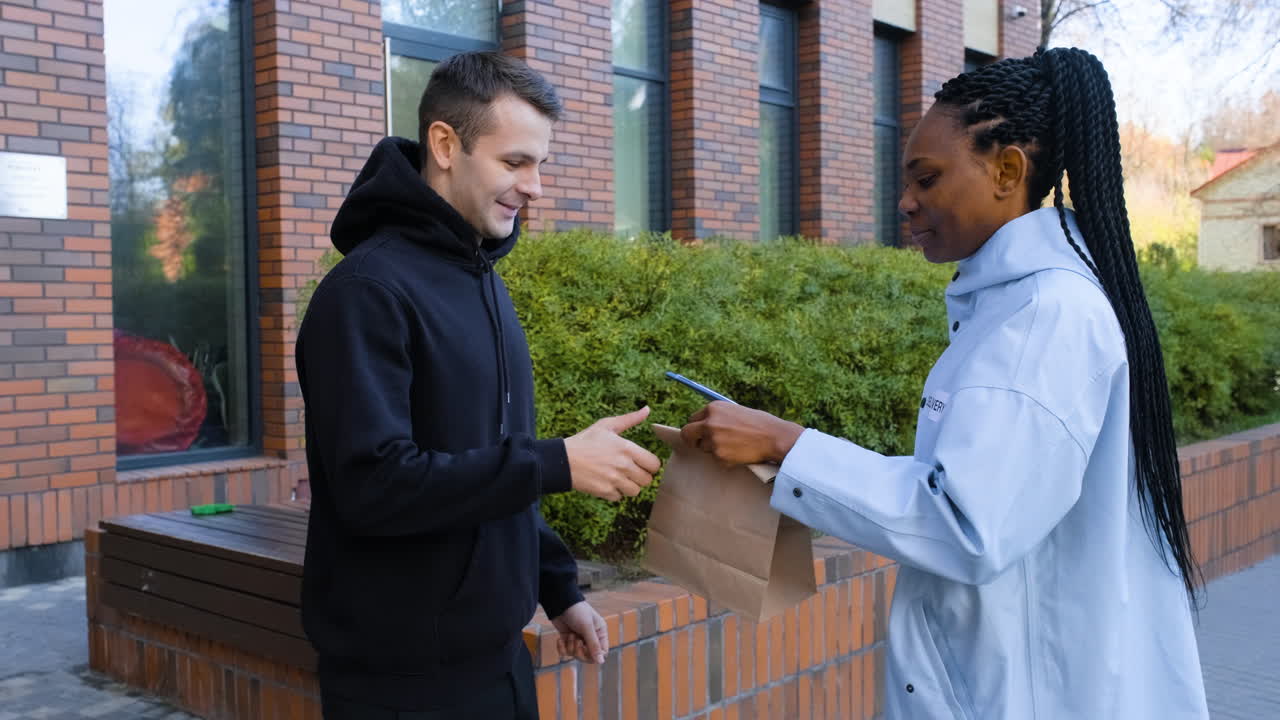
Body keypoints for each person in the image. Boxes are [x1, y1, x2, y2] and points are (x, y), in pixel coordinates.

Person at [680, 47, 1208, 719]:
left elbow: (967, 525)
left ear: (1006, 170)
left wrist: (788, 445)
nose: (906, 202)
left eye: (927, 178)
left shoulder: (1044, 317)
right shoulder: (1017, 305)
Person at [296, 51, 661, 720]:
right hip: (402, 686)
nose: (536, 186)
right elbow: (372, 487)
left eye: (540, 164)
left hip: (498, 661)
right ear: (445, 144)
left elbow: (490, 455)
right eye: (515, 163)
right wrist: (558, 462)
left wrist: (557, 586)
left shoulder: (483, 281)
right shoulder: (365, 295)